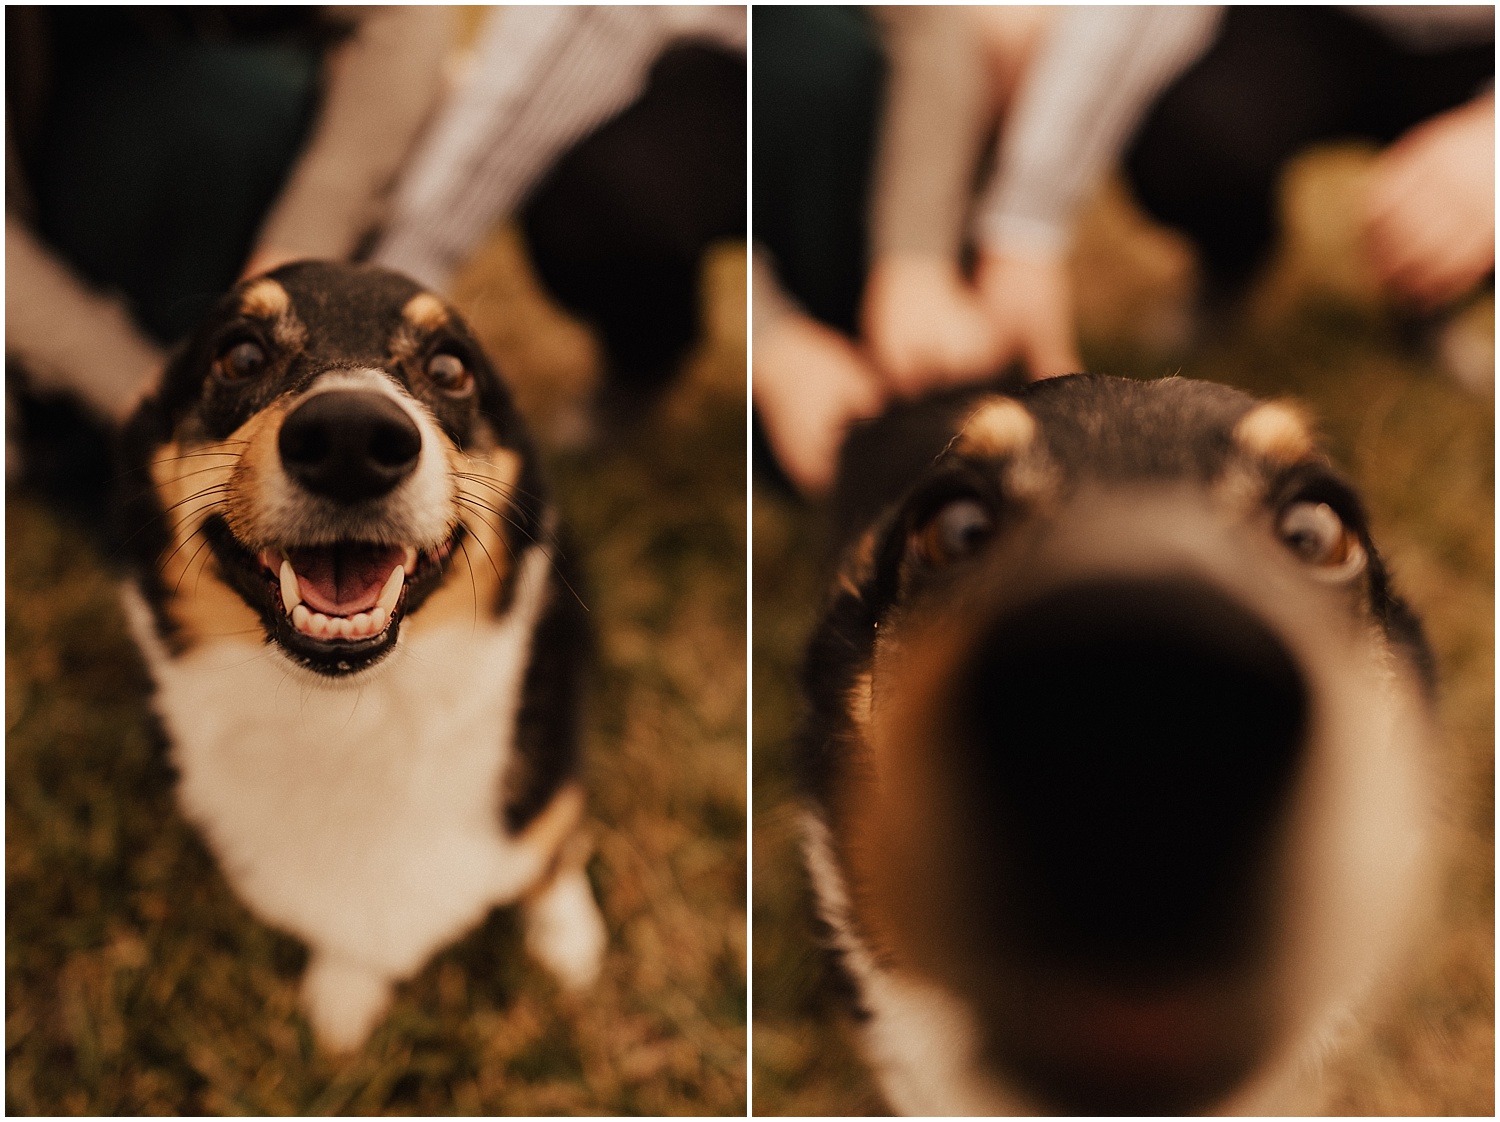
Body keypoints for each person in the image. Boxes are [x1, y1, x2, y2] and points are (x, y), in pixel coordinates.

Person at [370, 5, 746, 410]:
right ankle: (646, 362)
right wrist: (396, 284)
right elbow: (537, 69)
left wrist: (771, 328)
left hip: (804, 72)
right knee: (593, 202)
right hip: (732, 63)